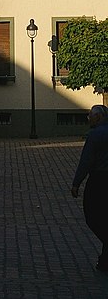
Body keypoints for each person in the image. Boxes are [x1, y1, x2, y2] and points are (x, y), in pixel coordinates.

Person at [71, 104, 108, 272]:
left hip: (99, 180)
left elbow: (86, 162)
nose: (88, 118)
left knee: (92, 215)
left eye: (90, 115)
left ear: (98, 117)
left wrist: (76, 183)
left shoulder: (95, 135)